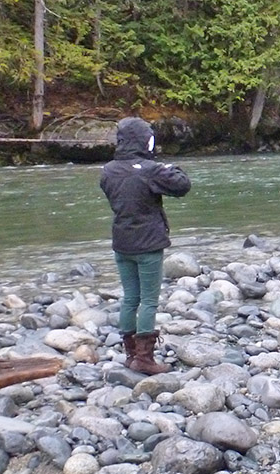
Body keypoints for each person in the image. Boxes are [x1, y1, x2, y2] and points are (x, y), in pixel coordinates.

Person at [100, 117, 191, 374]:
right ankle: (144, 358)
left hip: (122, 242)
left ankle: (130, 354)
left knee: (130, 298)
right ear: (145, 141)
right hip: (148, 244)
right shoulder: (150, 170)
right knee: (149, 300)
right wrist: (167, 166)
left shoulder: (108, 170)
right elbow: (182, 186)